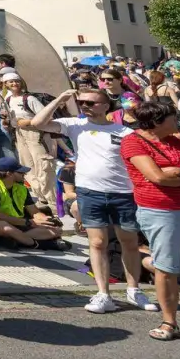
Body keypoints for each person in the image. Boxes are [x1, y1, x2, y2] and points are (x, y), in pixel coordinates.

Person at [27, 87, 156, 313]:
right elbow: (38, 123)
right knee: (97, 243)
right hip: (90, 192)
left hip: (123, 194)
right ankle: (103, 293)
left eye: (91, 103)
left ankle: (134, 290)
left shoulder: (125, 132)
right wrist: (59, 98)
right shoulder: (75, 125)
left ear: (106, 106)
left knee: (129, 242)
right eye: (82, 102)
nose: (85, 106)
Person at [119, 98, 180, 341]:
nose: (177, 121)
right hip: (159, 209)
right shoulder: (133, 142)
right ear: (157, 122)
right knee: (166, 267)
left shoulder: (176, 141)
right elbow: (156, 177)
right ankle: (169, 322)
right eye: (172, 117)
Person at [0, 156, 64, 249]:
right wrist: (29, 223)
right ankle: (39, 244)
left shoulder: (21, 187)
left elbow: (34, 211)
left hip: (16, 222)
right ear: (9, 174)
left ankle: (16, 239)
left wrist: (46, 220)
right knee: (5, 227)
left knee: (56, 230)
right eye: (20, 172)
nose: (24, 174)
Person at [2, 72, 56, 206]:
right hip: (19, 135)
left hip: (36, 135)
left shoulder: (29, 99)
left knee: (43, 167)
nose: (14, 84)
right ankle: (41, 197)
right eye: (11, 82)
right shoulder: (8, 100)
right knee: (27, 167)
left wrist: (28, 122)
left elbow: (47, 117)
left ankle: (53, 201)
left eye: (17, 81)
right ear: (6, 84)